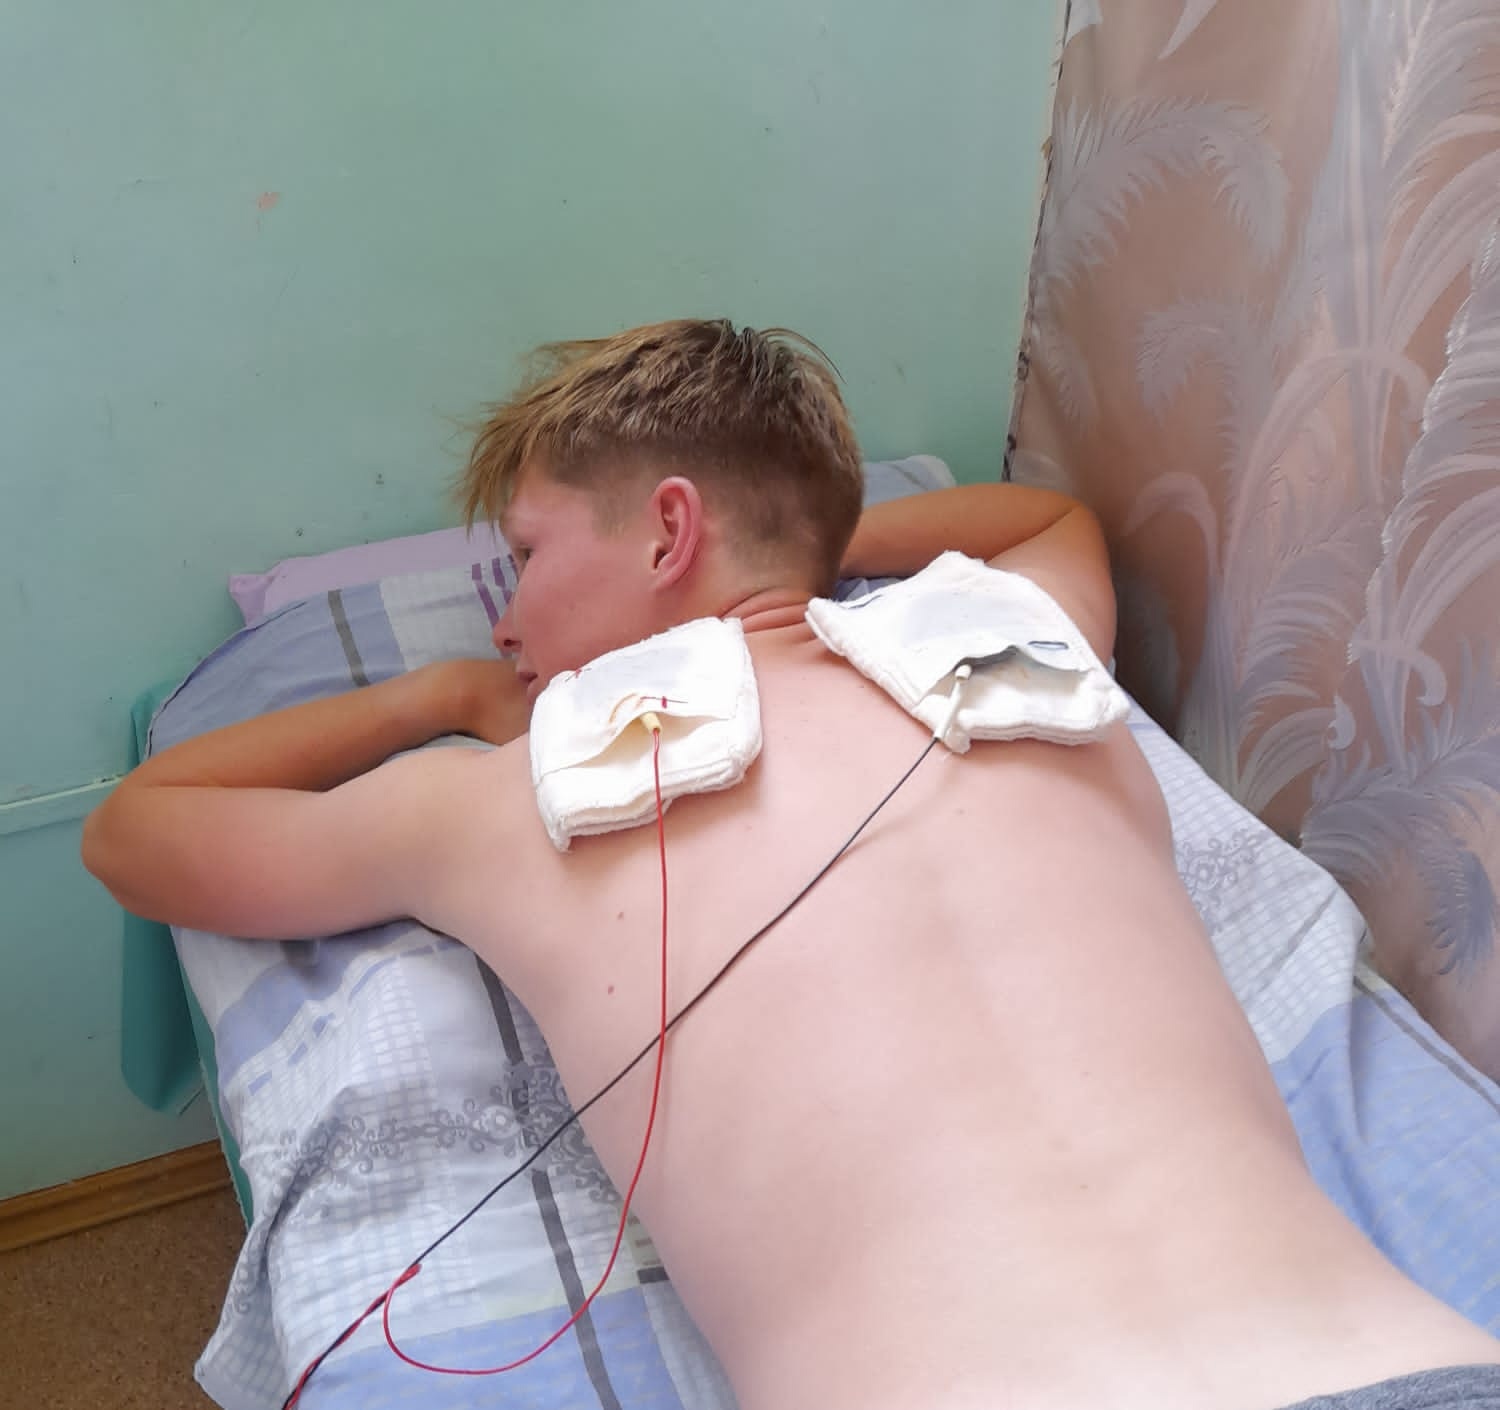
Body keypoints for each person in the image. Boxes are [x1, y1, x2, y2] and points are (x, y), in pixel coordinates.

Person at [83, 319, 1498, 1410]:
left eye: (524, 558)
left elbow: (137, 830)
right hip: (1413, 1368)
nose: (504, 622)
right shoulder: (1024, 654)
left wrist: (433, 699)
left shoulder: (503, 800)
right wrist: (799, 547)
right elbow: (1043, 521)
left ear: (669, 528)